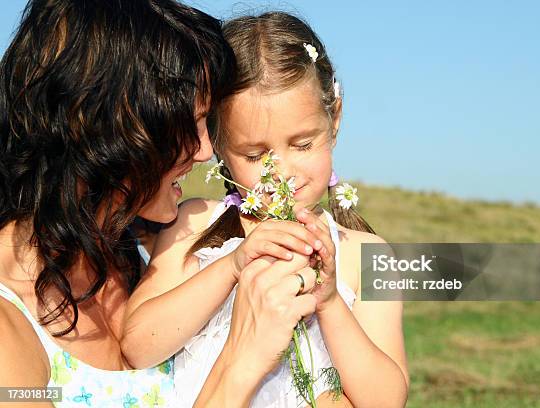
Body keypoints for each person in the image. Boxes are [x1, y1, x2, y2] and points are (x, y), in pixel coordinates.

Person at [0, 1, 325, 406]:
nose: (207, 150)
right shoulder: (8, 331)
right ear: (114, 127)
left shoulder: (141, 261)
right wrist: (242, 362)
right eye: (191, 123)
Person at [122, 11, 409, 407]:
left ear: (335, 119)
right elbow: (138, 344)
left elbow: (386, 400)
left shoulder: (367, 255)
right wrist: (232, 265)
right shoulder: (196, 223)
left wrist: (328, 302)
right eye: (256, 155)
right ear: (218, 144)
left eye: (303, 145)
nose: (282, 172)